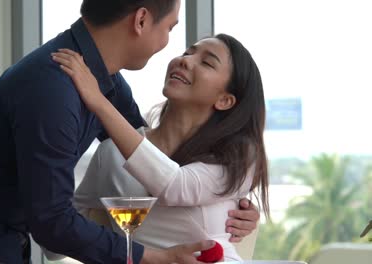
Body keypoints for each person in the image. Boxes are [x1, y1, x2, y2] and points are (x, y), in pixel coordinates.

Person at [0, 1, 257, 263]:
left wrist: (230, 199)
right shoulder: (56, 87)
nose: (172, 49)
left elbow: (145, 151)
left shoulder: (105, 84)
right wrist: (154, 257)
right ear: (141, 19)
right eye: (170, 30)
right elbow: (53, 222)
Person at [51, 33, 270, 261]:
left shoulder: (237, 156)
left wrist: (97, 100)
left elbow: (173, 186)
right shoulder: (111, 153)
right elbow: (57, 241)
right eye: (188, 52)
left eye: (206, 62)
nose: (185, 60)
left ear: (225, 100)